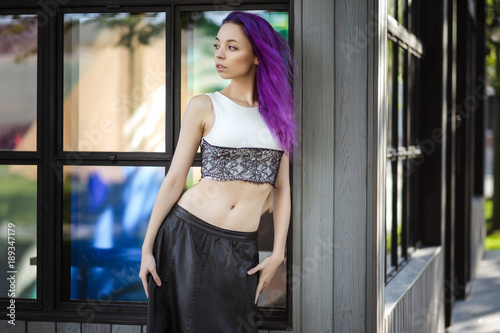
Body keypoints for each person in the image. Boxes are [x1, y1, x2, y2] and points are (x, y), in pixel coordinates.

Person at [139, 11, 296, 333]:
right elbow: (173, 180)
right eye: (217, 45)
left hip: (240, 247)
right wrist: (146, 248)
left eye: (232, 47)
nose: (220, 54)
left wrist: (278, 252)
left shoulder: (280, 115)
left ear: (257, 55)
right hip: (185, 237)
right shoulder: (204, 105)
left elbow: (281, 190)